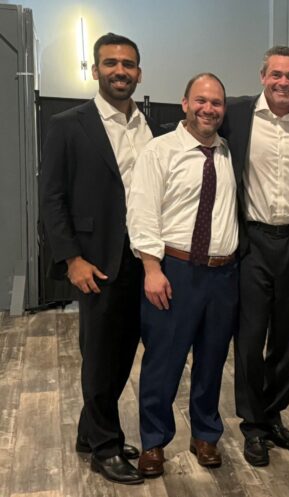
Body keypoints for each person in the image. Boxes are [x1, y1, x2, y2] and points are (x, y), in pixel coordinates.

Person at [39, 32, 160, 485]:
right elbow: (51, 198)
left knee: (122, 351)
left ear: (139, 72)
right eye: (110, 63)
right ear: (95, 70)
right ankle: (106, 447)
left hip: (138, 256)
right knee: (99, 356)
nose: (120, 71)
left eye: (128, 64)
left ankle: (90, 433)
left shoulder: (146, 127)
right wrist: (70, 257)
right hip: (95, 260)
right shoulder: (69, 124)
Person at [218, 46, 289, 467]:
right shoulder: (236, 114)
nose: (284, 82)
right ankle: (252, 425)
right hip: (253, 242)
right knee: (249, 339)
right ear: (262, 75)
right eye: (277, 74)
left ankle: (274, 414)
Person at [127, 73, 241, 478]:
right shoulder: (160, 151)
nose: (208, 109)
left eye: (216, 103)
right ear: (185, 103)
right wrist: (152, 268)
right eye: (201, 101)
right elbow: (141, 211)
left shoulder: (227, 153)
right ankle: (154, 441)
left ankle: (205, 434)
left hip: (224, 274)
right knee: (164, 360)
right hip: (174, 270)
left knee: (212, 360)